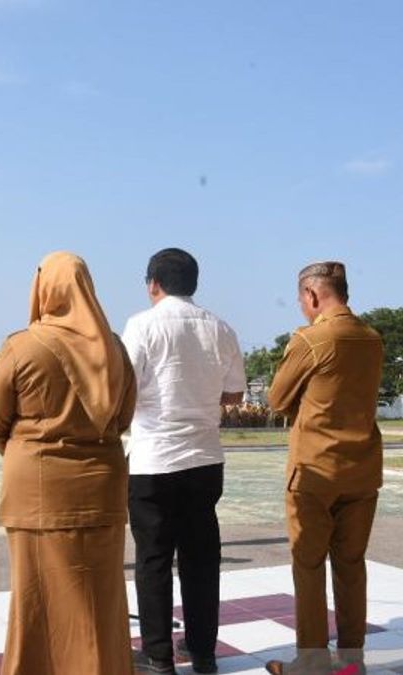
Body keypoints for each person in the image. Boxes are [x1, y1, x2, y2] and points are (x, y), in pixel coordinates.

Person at [0, 251, 137, 675]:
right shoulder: (115, 349)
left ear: (44, 288)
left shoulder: (22, 345)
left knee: (37, 602)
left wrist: (32, 455)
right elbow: (123, 418)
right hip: (102, 491)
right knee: (101, 604)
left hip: (38, 495)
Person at [121, 248, 246, 675]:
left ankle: (158, 656)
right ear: (194, 283)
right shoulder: (221, 328)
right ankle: (203, 651)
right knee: (201, 559)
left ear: (153, 283)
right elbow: (234, 395)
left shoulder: (141, 325)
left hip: (153, 458)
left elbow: (125, 389)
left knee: (153, 560)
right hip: (204, 458)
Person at [262, 261, 383, 675]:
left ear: (312, 295)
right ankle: (352, 661)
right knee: (351, 566)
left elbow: (277, 399)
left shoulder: (312, 340)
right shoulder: (371, 338)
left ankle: (311, 662)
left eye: (301, 300)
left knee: (309, 566)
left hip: (316, 469)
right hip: (362, 468)